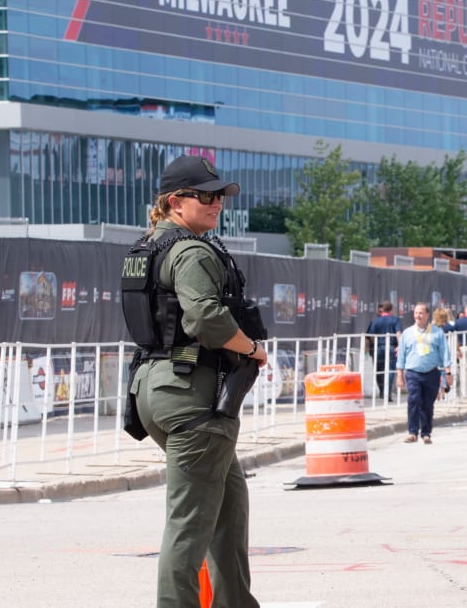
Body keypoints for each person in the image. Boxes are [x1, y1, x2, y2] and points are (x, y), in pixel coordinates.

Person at [124, 155, 267, 608]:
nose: (216, 204)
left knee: (228, 507)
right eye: (205, 196)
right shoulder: (190, 251)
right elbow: (206, 317)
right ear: (173, 202)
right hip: (192, 396)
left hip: (155, 387)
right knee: (189, 525)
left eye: (219, 195)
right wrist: (251, 348)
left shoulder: (146, 248)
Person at [396, 302, 453, 444]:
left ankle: (426, 433)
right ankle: (412, 432)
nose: (418, 316)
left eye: (421, 313)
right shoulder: (407, 333)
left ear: (427, 315)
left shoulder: (437, 333)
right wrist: (399, 375)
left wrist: (448, 372)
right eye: (416, 313)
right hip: (413, 373)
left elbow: (445, 352)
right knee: (414, 400)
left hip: (431, 373)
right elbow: (401, 355)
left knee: (428, 404)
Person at [365, 301, 401, 402]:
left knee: (379, 371)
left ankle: (381, 391)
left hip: (379, 348)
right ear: (391, 310)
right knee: (390, 371)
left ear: (382, 310)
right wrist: (400, 346)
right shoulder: (395, 320)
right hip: (391, 347)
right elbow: (398, 333)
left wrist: (375, 344)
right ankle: (387, 393)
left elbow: (370, 336)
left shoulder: (375, 321)